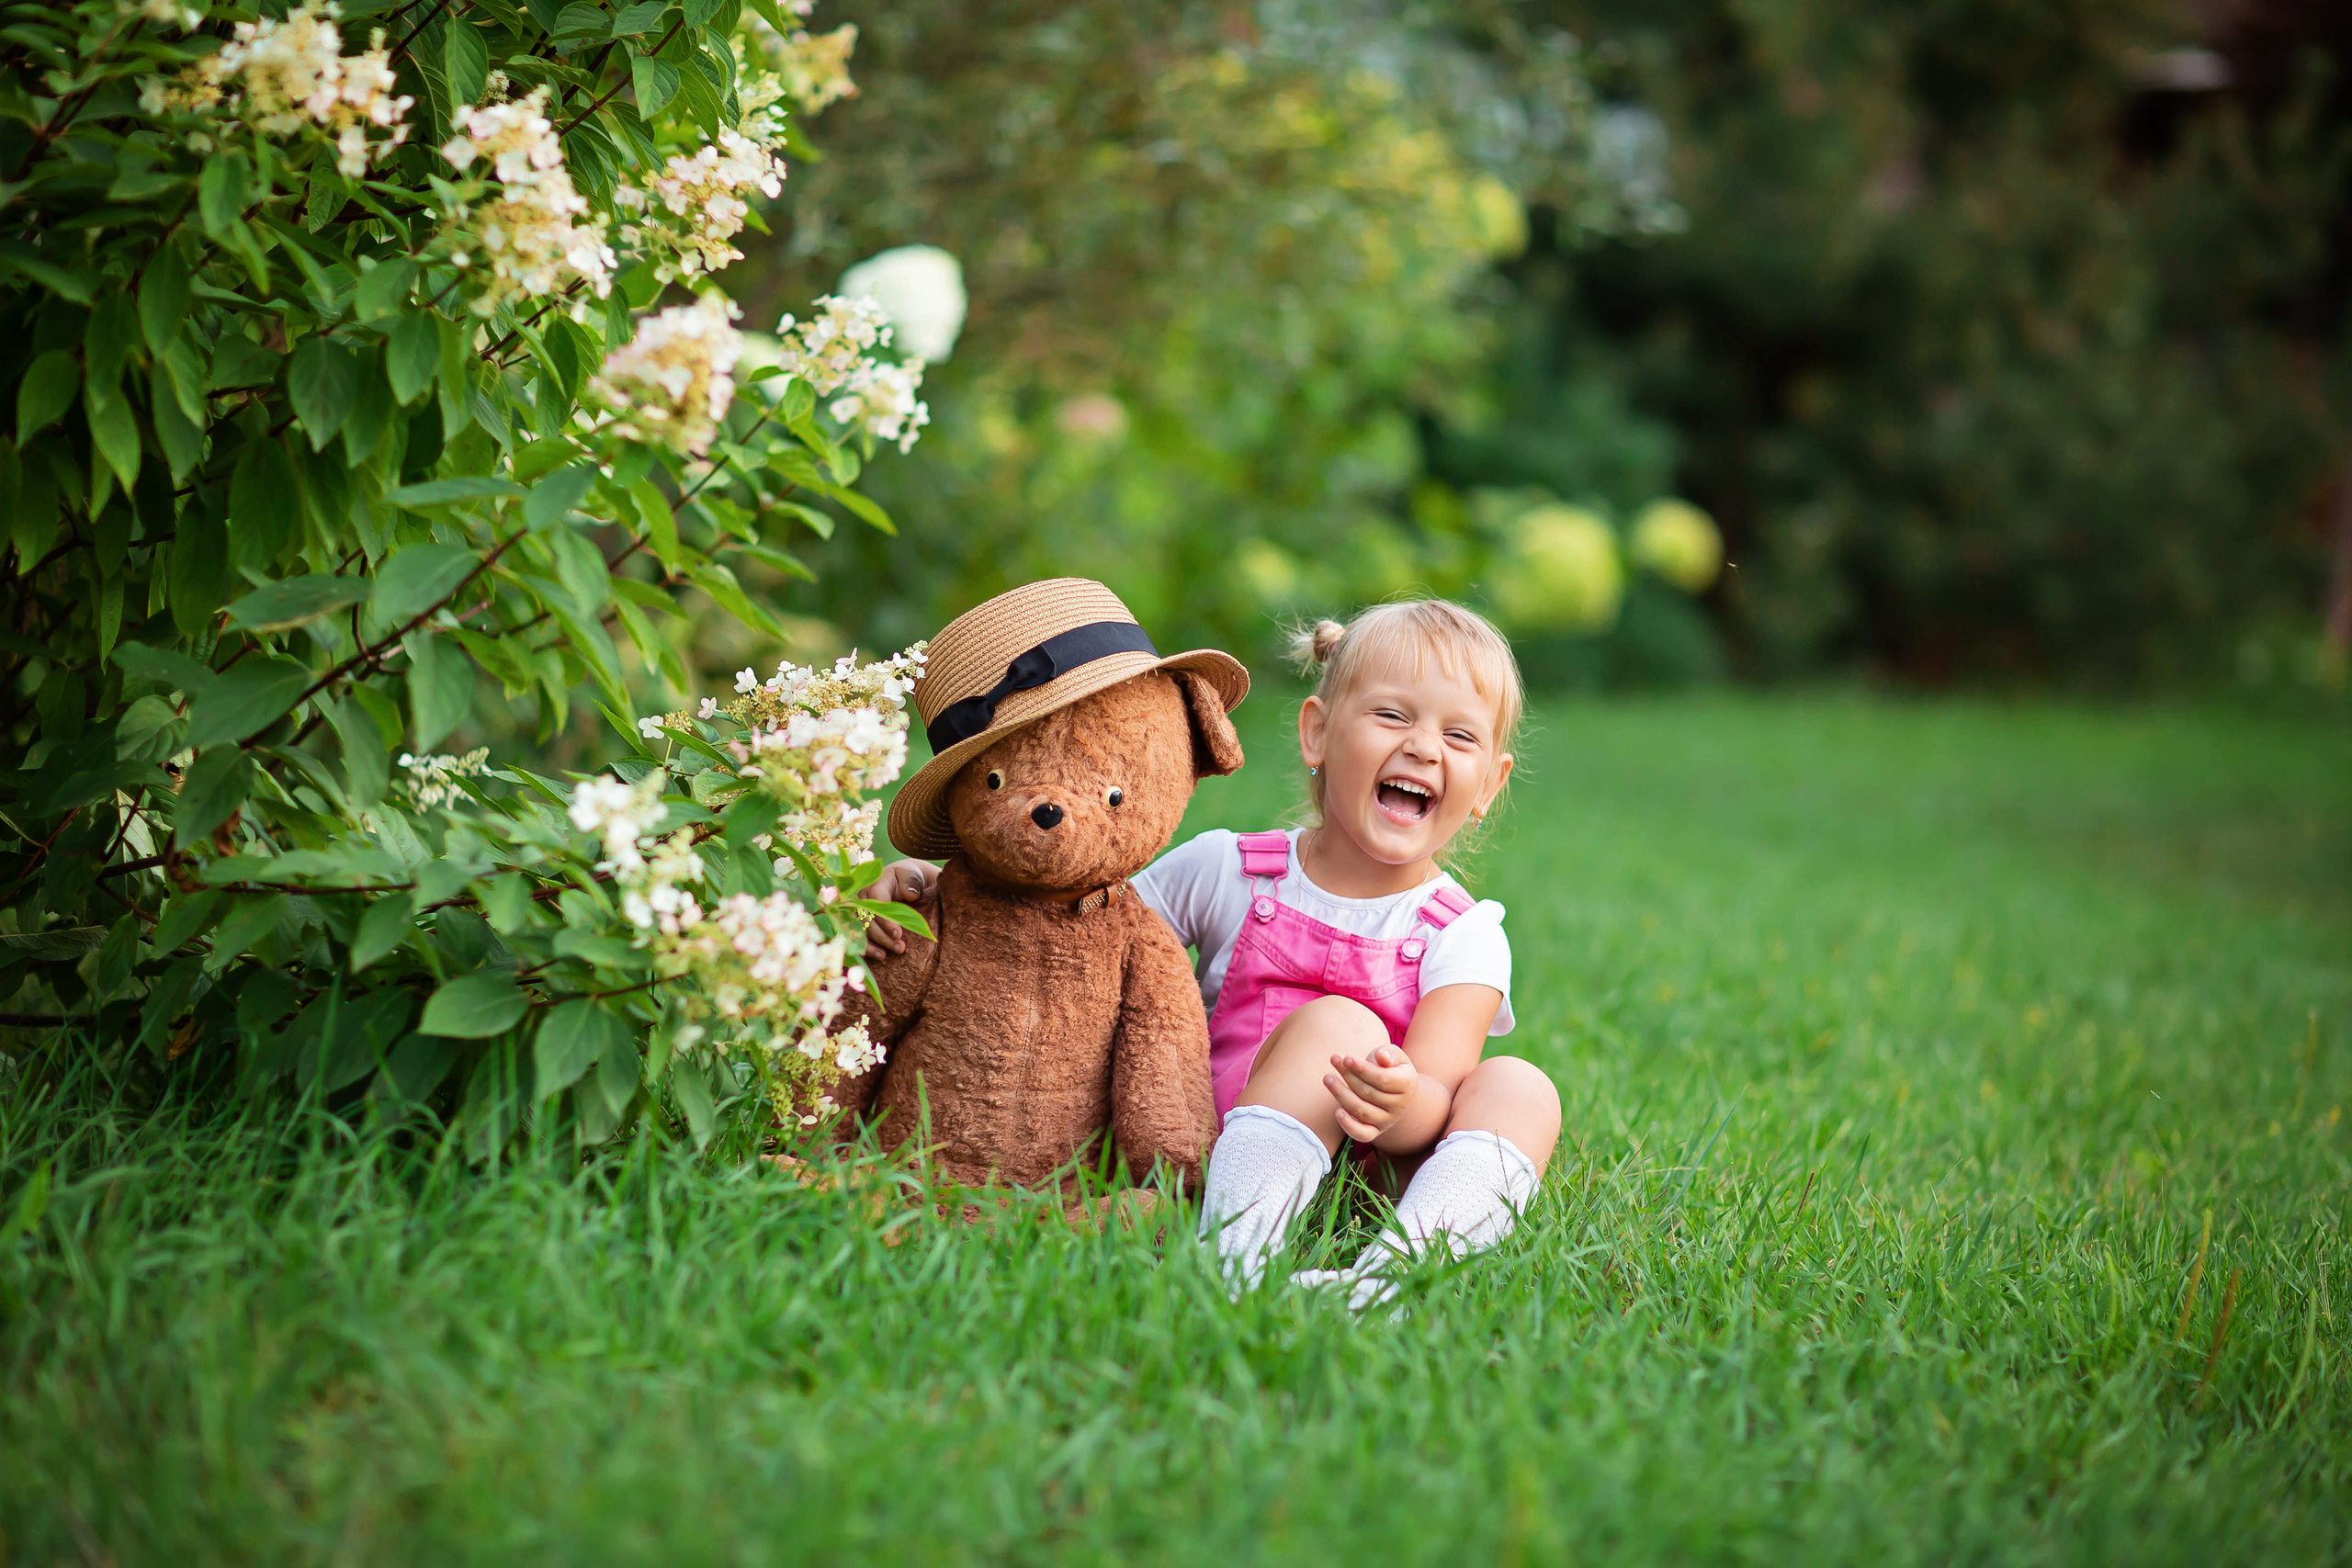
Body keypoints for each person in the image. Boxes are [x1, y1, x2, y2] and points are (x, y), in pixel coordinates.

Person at [866, 599, 1561, 1305]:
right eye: (1392, 715)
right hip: (1218, 1160)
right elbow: (1077, 912)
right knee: (1339, 1025)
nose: (1422, 747)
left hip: (1369, 1182)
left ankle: (1389, 1279)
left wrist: (1402, 1098)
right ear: (1317, 733)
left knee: (1523, 1088)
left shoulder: (1463, 932)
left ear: (1490, 785)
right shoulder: (1229, 868)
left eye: (1460, 735)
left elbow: (1433, 1104)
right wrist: (931, 888)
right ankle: (1235, 1261)